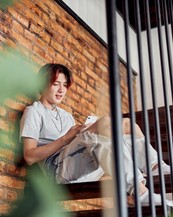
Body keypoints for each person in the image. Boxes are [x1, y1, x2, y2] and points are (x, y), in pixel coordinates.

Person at [20, 63, 172, 207]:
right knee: (104, 124)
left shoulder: (65, 116)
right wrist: (67, 138)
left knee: (128, 125)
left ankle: (157, 168)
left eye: (65, 85)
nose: (61, 90)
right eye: (56, 84)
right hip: (56, 171)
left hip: (78, 166)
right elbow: (29, 157)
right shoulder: (34, 111)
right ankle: (140, 193)